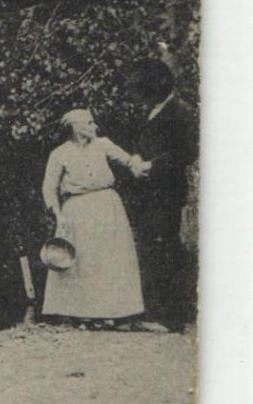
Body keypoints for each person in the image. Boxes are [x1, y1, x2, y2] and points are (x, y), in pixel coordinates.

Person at [40, 108, 150, 327]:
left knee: (111, 259)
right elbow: (49, 187)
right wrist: (58, 214)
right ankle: (83, 315)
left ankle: (117, 314)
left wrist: (139, 165)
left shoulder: (103, 144)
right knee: (83, 261)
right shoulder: (60, 153)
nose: (94, 127)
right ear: (75, 127)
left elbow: (128, 160)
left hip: (107, 206)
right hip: (77, 208)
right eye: (89, 123)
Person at [126, 58, 197, 331]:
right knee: (152, 248)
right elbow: (141, 142)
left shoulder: (180, 112)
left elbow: (187, 152)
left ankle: (172, 317)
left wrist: (152, 165)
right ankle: (155, 312)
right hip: (148, 191)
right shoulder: (153, 111)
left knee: (166, 248)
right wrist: (134, 158)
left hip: (166, 192)